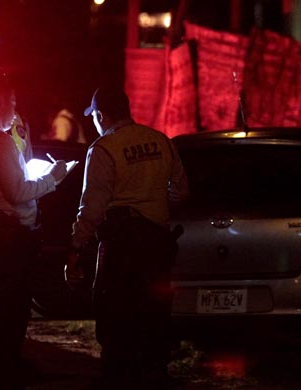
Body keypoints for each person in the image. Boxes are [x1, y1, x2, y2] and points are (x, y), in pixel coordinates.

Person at [66, 86, 189, 389]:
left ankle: (120, 380)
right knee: (154, 319)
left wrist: (75, 247)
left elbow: (92, 208)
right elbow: (181, 190)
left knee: (116, 322)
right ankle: (155, 377)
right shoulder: (160, 141)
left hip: (121, 248)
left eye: (93, 117)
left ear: (100, 115)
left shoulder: (104, 149)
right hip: (158, 247)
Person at [0, 68, 67, 388]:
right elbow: (17, 193)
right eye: (12, 102)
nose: (15, 110)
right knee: (12, 308)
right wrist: (53, 179)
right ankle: (5, 367)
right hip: (8, 238)